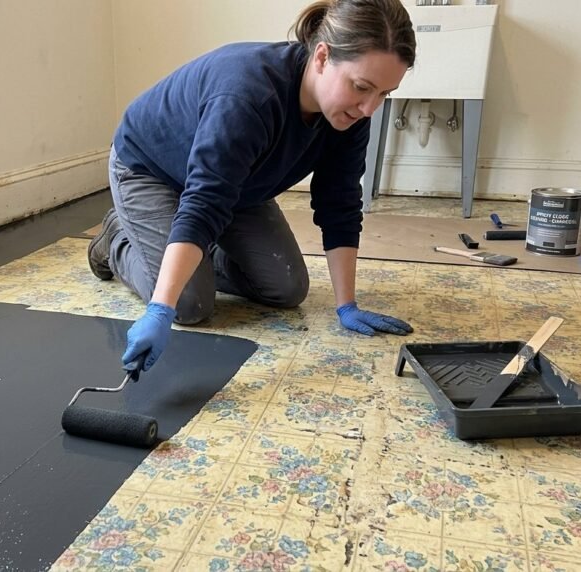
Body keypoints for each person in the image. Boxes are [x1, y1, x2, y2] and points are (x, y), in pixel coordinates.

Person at [88, 0, 416, 372]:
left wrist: (347, 304)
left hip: (235, 184)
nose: (369, 108)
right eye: (362, 87)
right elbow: (205, 201)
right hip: (151, 169)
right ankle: (114, 239)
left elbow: (339, 201)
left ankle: (184, 254)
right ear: (322, 57)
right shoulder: (247, 94)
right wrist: (161, 308)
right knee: (190, 304)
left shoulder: (352, 114)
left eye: (385, 94)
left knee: (286, 288)